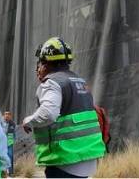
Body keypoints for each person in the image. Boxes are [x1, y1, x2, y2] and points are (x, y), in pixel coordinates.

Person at [22, 37, 105, 178]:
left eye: (40, 64)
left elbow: (48, 114)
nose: (38, 69)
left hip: (66, 159)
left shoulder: (52, 83)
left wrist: (28, 121)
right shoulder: (79, 82)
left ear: (45, 64)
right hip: (87, 157)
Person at [3, 111, 16, 175]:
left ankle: (10, 172)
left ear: (10, 116)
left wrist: (13, 140)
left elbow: (14, 133)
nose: (7, 115)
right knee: (1, 156)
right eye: (6, 114)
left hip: (9, 142)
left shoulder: (12, 123)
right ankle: (2, 172)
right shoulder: (1, 123)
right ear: (3, 115)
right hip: (2, 141)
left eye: (8, 114)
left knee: (10, 156)